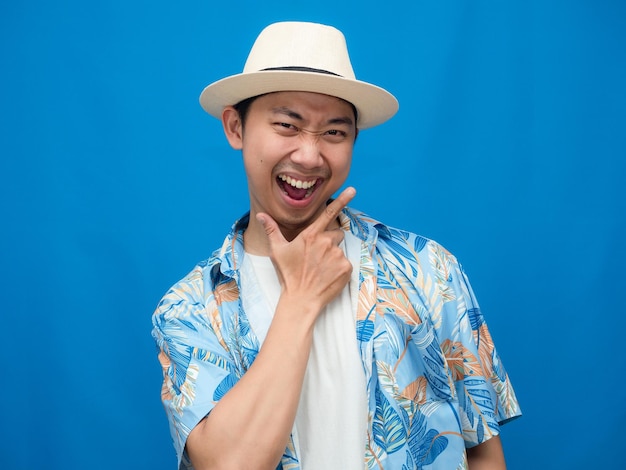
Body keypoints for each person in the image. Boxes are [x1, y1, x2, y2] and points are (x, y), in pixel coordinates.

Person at [152, 21, 521, 470]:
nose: (309, 156)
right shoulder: (188, 309)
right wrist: (301, 300)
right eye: (287, 125)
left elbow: (482, 452)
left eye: (334, 133)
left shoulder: (428, 269)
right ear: (235, 127)